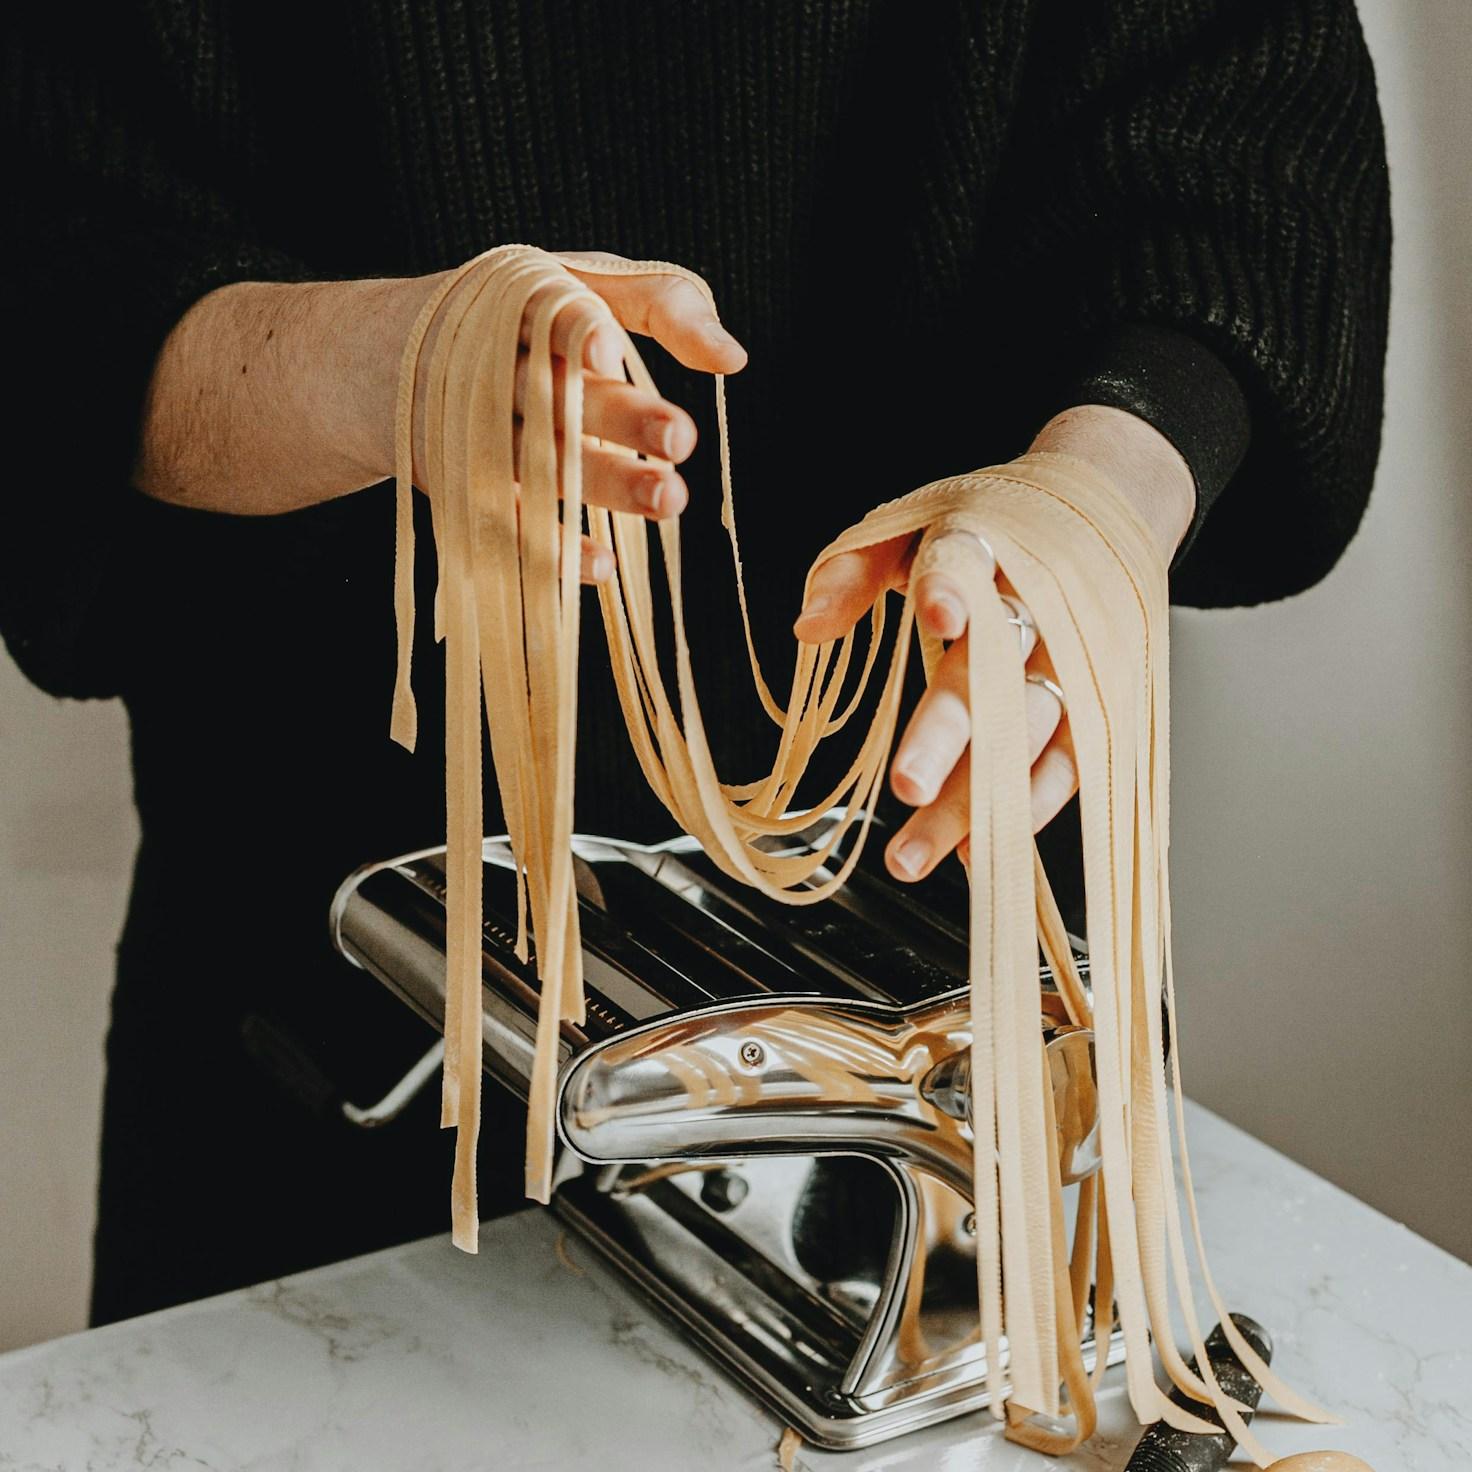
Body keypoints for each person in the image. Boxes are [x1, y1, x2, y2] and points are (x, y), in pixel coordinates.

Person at [2, 1, 1389, 1326]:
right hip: (334, 1043)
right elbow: (58, 263)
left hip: (957, 1054)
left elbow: (1250, 151)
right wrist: (379, 366)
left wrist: (1100, 497)